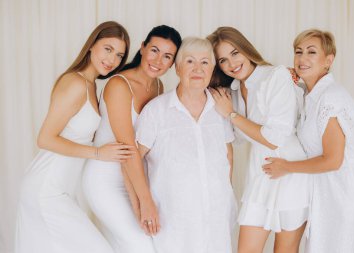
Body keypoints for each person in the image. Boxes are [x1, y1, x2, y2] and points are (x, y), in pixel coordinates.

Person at [15, 21, 131, 253]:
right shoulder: (75, 82)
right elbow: (45, 138)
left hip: (62, 190)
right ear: (91, 46)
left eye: (119, 55)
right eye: (107, 49)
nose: (113, 60)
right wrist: (98, 153)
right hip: (45, 190)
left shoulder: (92, 86)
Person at [263, 29, 354, 253]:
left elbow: (333, 160)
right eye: (298, 52)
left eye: (311, 52)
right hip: (328, 190)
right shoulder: (310, 95)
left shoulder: (330, 98)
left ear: (328, 60)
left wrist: (286, 167)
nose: (302, 58)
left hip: (346, 188)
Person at [207, 26, 310, 253]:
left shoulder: (276, 75)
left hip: (291, 174)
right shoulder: (233, 90)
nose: (231, 64)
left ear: (245, 49)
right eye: (222, 60)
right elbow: (238, 139)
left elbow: (275, 139)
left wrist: (231, 115)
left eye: (235, 53)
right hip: (260, 174)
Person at [82, 25, 182, 253]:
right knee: (140, 245)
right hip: (104, 180)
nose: (158, 60)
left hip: (136, 180)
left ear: (173, 63)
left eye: (167, 56)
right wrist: (145, 202)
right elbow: (128, 148)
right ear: (143, 48)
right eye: (154, 50)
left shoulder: (159, 87)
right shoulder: (119, 85)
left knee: (151, 243)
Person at [135, 37, 237, 253]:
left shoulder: (221, 108)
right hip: (173, 219)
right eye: (190, 62)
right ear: (178, 68)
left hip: (216, 216)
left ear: (212, 69)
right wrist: (145, 204)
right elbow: (134, 157)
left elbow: (228, 155)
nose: (197, 69)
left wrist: (224, 197)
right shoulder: (157, 110)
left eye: (205, 62)